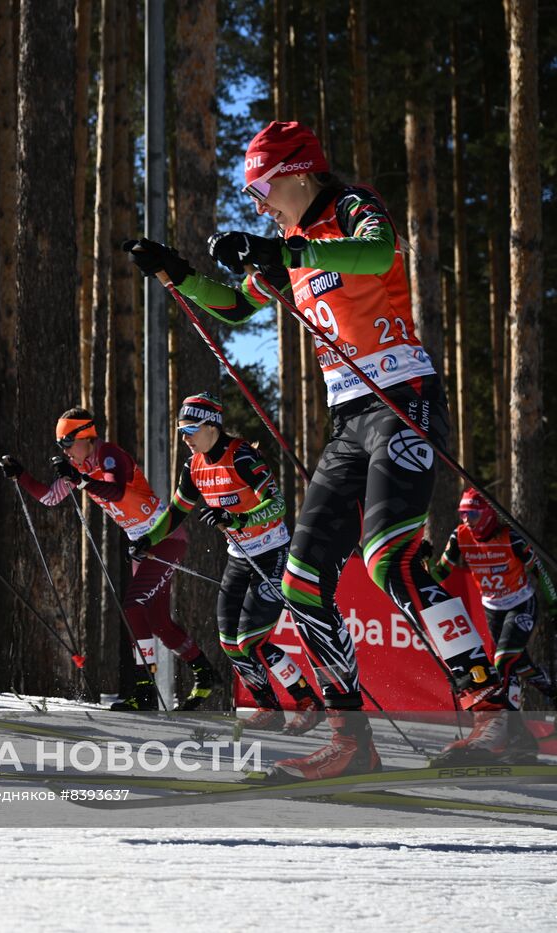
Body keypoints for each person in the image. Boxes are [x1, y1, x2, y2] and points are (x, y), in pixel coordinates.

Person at [125, 120, 510, 777]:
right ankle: (350, 741)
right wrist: (178, 274)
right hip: (347, 419)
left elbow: (377, 251)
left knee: (391, 556)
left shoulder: (350, 207)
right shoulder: (291, 241)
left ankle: (492, 713)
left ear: (299, 173)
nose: (260, 207)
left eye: (262, 190)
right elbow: (237, 307)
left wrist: (291, 257)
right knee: (300, 582)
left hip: (401, 400)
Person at [0, 408, 219, 711]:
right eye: (60, 446)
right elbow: (50, 498)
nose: (64, 451)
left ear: (86, 436)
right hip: (142, 547)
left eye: (67, 443)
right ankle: (205, 673)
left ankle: (144, 689)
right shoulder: (79, 466)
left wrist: (80, 480)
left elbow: (115, 492)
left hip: (164, 539)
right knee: (157, 621)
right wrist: (20, 475)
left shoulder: (108, 454)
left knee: (133, 606)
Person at [134, 392, 324, 730]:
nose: (186, 438)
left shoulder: (242, 457)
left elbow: (277, 504)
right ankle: (269, 706)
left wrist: (237, 519)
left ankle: (307, 700)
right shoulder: (193, 466)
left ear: (212, 426)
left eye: (191, 430)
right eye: (181, 431)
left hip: (271, 554)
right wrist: (149, 538)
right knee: (229, 642)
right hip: (238, 558)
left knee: (250, 639)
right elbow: (177, 511)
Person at [431, 488, 557, 725]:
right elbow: (440, 574)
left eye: (473, 515)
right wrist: (424, 561)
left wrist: (554, 606)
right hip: (492, 610)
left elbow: (540, 571)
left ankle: (507, 726)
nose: (467, 521)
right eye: (463, 515)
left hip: (520, 604)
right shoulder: (459, 536)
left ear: (487, 514)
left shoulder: (511, 537)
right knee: (519, 664)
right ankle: (551, 688)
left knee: (502, 660)